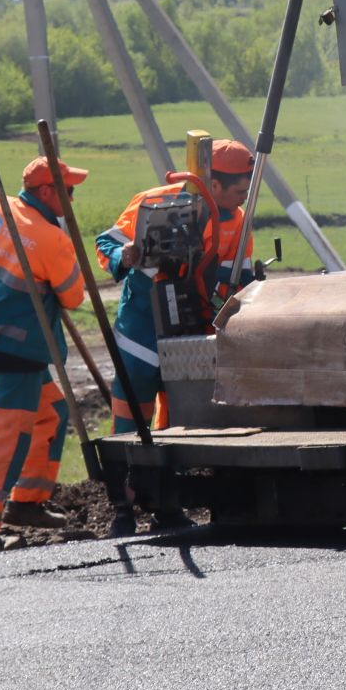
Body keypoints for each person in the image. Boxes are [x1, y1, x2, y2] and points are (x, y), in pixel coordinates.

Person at [96, 139, 257, 537]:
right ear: (213, 184)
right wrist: (124, 256)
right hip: (141, 326)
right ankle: (123, 508)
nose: (244, 198)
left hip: (192, 327)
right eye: (239, 189)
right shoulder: (154, 201)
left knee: (179, 420)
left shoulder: (239, 224)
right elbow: (107, 242)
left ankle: (167, 506)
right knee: (131, 412)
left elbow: (237, 281)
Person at [0, 155, 90, 556]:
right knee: (6, 436)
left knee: (52, 414)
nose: (73, 199)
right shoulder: (50, 239)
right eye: (69, 191)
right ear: (46, 191)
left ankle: (26, 503)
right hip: (22, 346)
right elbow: (74, 296)